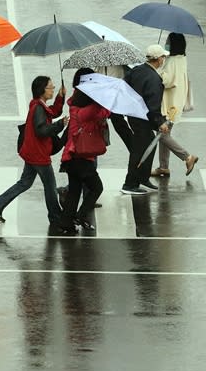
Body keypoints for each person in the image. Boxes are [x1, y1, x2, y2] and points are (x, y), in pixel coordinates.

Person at [0, 76, 73, 234]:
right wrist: (60, 124)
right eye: (50, 87)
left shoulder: (38, 105)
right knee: (50, 186)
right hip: (38, 155)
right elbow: (41, 130)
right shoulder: (38, 108)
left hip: (32, 152)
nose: (53, 89)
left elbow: (53, 112)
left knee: (25, 183)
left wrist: (60, 96)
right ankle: (55, 217)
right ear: (42, 90)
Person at [59, 79, 110, 231]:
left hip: (70, 157)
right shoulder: (86, 112)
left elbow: (101, 113)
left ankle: (65, 223)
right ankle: (80, 216)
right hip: (82, 158)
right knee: (97, 188)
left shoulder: (74, 108)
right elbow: (104, 111)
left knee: (74, 191)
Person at [121, 44, 170, 195]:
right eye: (163, 57)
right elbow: (153, 106)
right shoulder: (154, 79)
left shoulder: (136, 70)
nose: (164, 59)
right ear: (158, 59)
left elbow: (124, 86)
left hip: (133, 115)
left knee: (148, 145)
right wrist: (161, 122)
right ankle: (130, 184)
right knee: (140, 151)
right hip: (144, 119)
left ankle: (143, 177)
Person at [151, 33, 198, 177]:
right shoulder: (182, 59)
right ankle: (163, 167)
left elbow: (168, 81)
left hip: (168, 105)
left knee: (162, 135)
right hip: (175, 103)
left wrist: (157, 71)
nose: (166, 43)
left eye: (168, 41)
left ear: (173, 44)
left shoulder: (172, 61)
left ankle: (187, 157)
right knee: (165, 134)